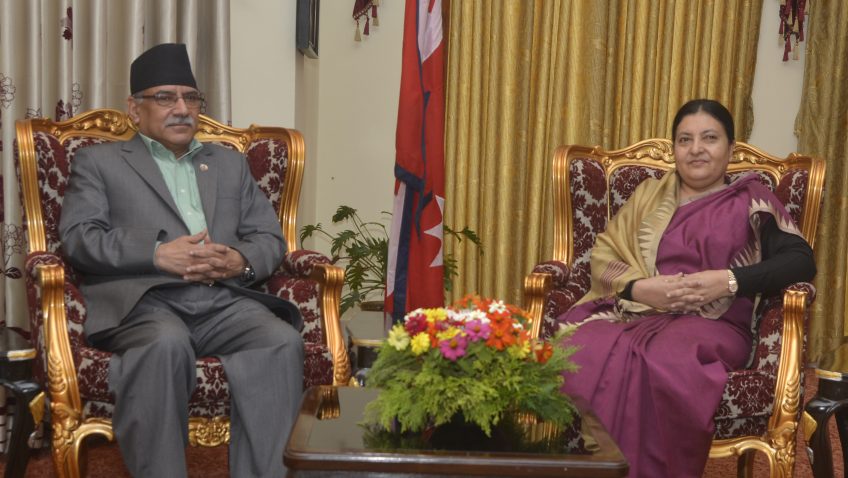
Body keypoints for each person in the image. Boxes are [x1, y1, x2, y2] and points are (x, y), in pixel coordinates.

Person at [58, 43, 303, 477]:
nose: (182, 109)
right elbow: (80, 239)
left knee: (279, 341)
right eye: (165, 97)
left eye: (191, 98)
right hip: (146, 304)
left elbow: (269, 237)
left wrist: (238, 261)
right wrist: (156, 253)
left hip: (222, 301)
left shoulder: (228, 164)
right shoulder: (99, 162)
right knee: (164, 345)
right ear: (134, 109)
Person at [557, 99, 816, 478]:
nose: (696, 149)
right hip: (638, 312)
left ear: (731, 148)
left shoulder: (751, 197)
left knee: (664, 361)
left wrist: (727, 280)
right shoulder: (649, 196)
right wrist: (641, 289)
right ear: (674, 148)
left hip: (715, 324)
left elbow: (800, 260)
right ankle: (605, 468)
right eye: (685, 139)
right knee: (579, 349)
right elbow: (604, 255)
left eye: (709, 138)